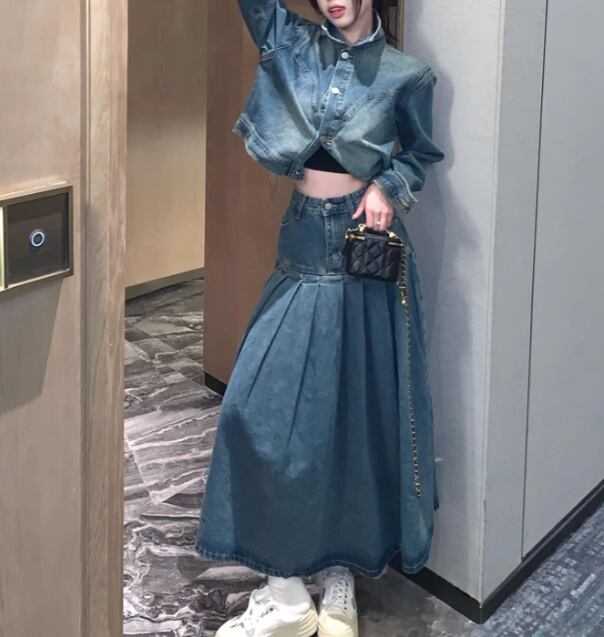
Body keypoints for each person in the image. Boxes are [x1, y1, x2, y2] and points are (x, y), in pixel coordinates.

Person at [194, 1, 445, 635]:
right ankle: (284, 595)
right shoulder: (289, 40)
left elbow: (419, 153)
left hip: (366, 251)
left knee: (353, 419)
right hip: (304, 242)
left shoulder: (407, 75)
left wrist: (388, 186)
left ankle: (339, 584)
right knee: (252, 410)